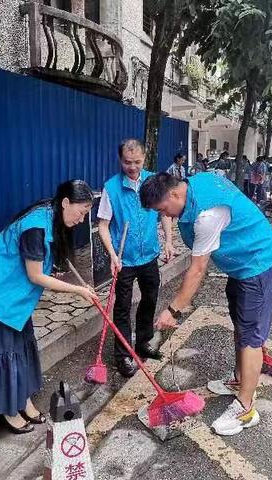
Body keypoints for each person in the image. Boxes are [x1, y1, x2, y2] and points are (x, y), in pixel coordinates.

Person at [139, 172, 272, 436]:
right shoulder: (198, 181)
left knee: (251, 335)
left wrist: (173, 310)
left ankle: (246, 409)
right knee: (241, 323)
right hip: (240, 267)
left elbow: (197, 269)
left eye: (163, 210)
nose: (167, 217)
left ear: (174, 194)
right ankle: (240, 381)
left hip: (258, 262)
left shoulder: (207, 216)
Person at [0, 180, 97, 434]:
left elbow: (38, 266)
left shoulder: (52, 214)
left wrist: (57, 275)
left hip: (13, 294)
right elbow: (35, 276)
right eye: (80, 213)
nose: (81, 220)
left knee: (20, 347)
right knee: (2, 350)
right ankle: (9, 410)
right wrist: (78, 290)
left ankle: (23, 401)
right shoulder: (36, 226)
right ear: (66, 202)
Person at [97, 139, 174, 378]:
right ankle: (122, 356)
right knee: (121, 307)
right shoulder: (111, 187)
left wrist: (169, 241)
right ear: (120, 160)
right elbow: (103, 225)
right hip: (125, 259)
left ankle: (143, 343)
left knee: (150, 299)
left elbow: (164, 213)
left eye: (137, 162)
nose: (132, 167)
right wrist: (112, 255)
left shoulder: (153, 181)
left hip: (149, 254)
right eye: (127, 162)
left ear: (144, 158)